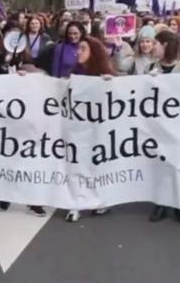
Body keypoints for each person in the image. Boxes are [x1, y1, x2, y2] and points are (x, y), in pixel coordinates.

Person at [65, 35, 115, 223]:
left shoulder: (105, 75)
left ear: (93, 53)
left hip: (98, 128)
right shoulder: (74, 73)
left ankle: (98, 200)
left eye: (83, 49)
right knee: (77, 163)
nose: (78, 52)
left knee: (96, 164)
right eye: (79, 48)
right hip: (77, 127)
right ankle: (75, 204)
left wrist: (110, 84)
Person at [148, 31, 180, 223]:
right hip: (159, 125)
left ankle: (179, 204)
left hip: (179, 124)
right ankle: (161, 203)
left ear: (165, 45)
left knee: (178, 165)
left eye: (155, 44)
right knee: (160, 165)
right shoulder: (152, 68)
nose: (153, 47)